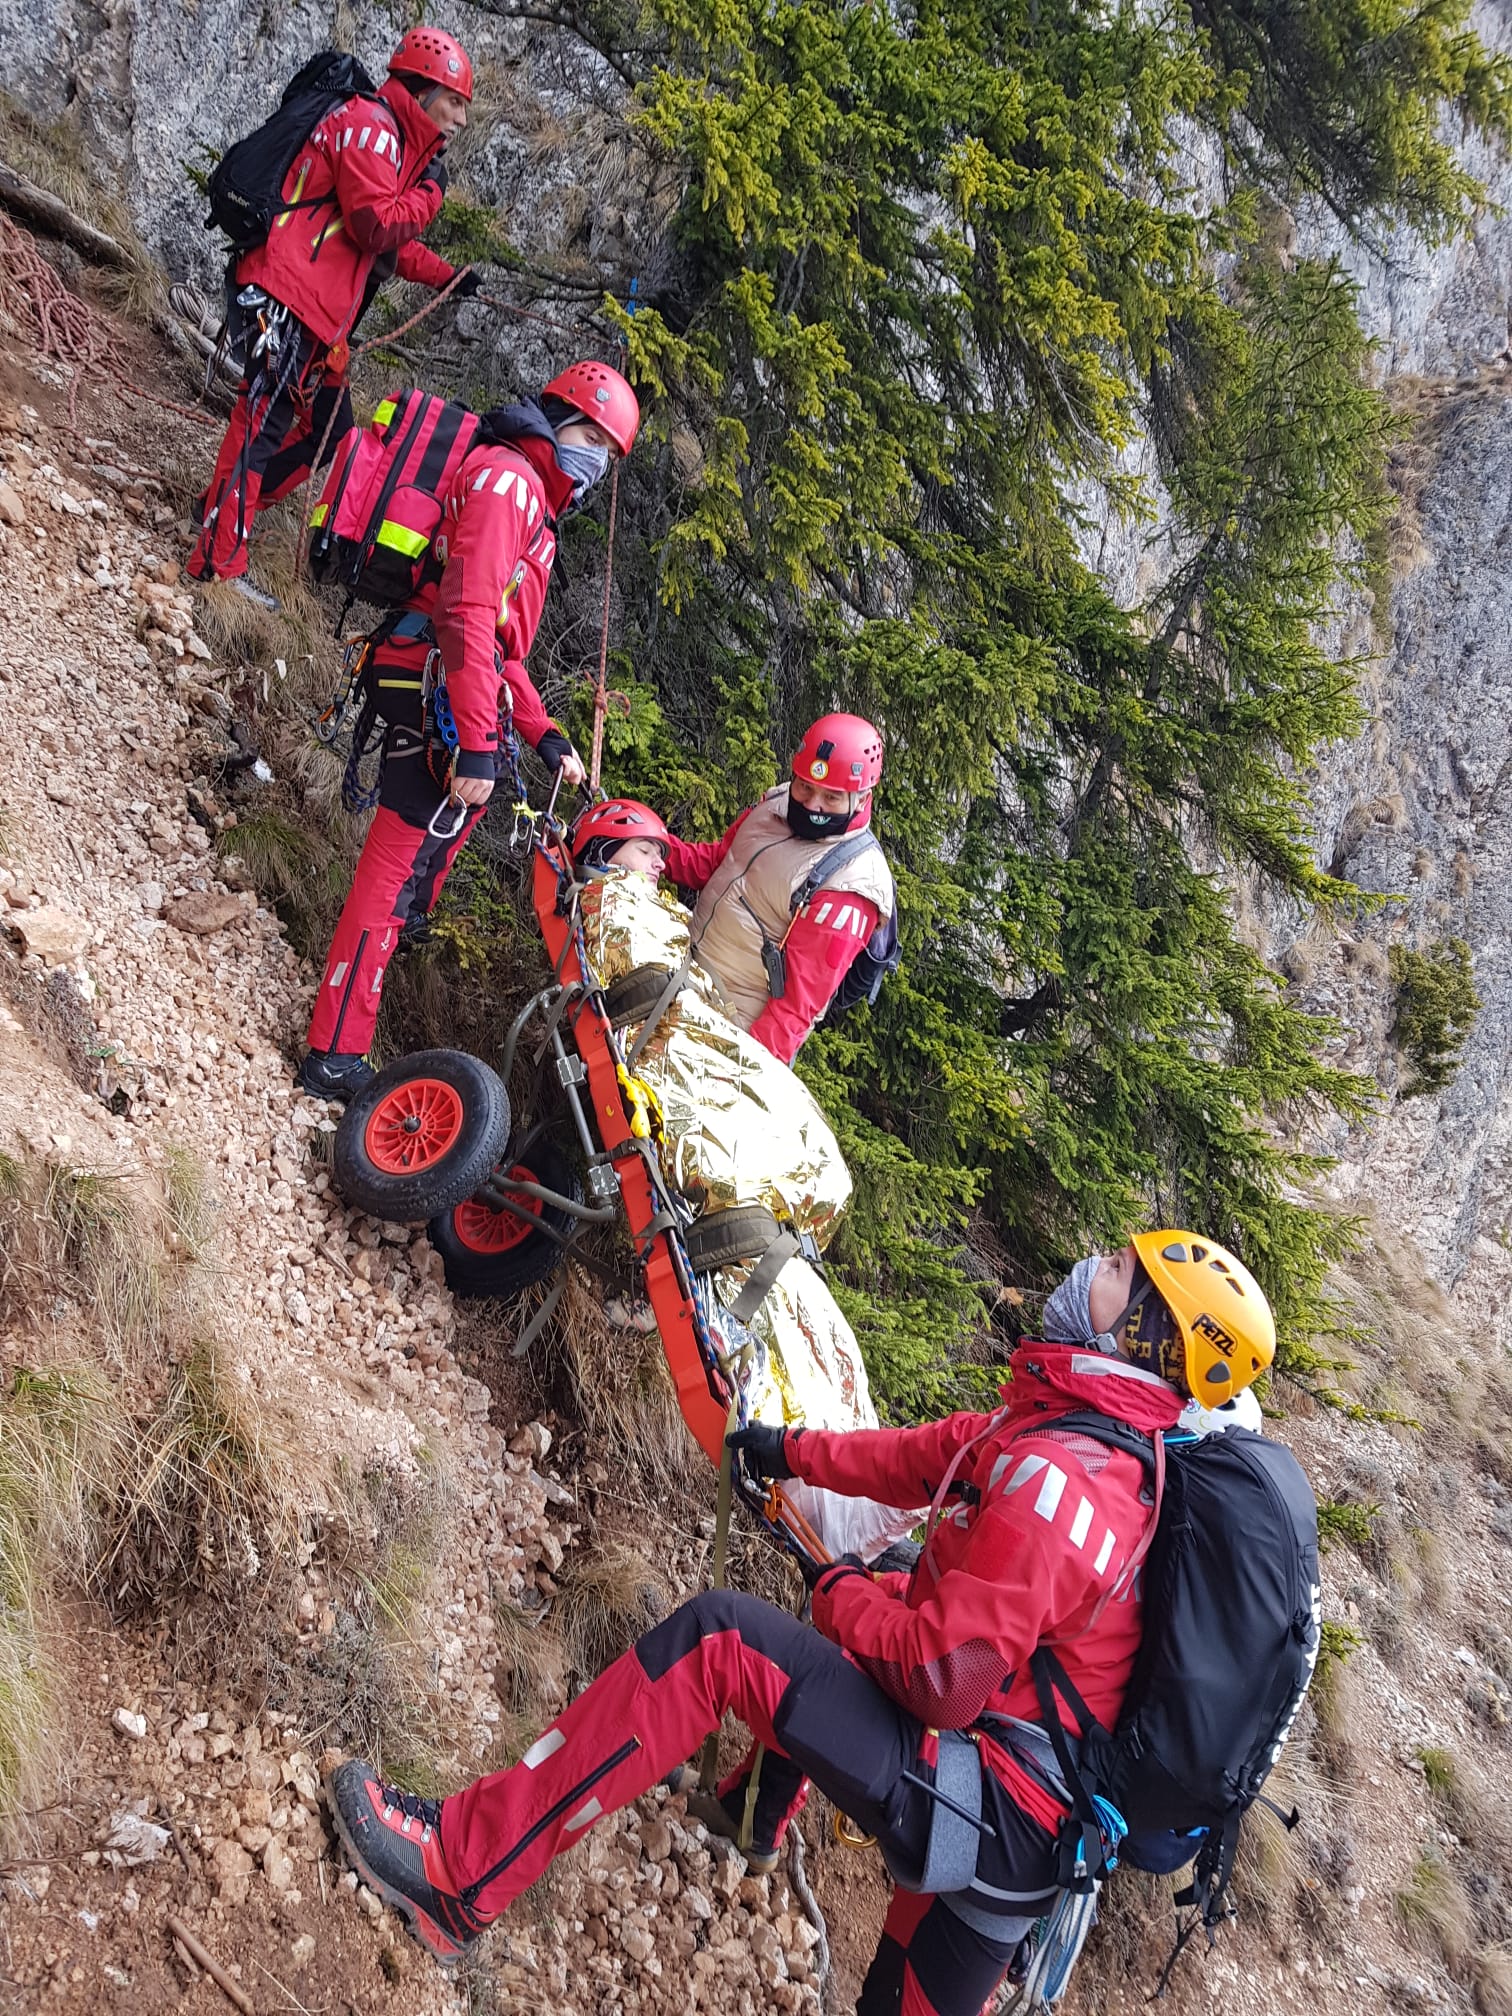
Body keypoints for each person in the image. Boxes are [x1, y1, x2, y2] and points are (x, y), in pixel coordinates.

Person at [326, 1229, 1277, 2012]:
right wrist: (788, 1451)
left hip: (991, 1808)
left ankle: (456, 1872)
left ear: (1146, 1331)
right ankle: (754, 1812)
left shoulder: (1063, 1481)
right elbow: (922, 1457)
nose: (1088, 1265)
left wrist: (838, 1588)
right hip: (1022, 1817)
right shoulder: (1078, 1431)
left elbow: (942, 1680)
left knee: (723, 1642)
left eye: (1115, 1269)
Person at [298, 362, 640, 1102]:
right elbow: (465, 614)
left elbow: (499, 648)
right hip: (430, 678)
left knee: (421, 858)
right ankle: (334, 1050)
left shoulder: (524, 491)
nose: (595, 464)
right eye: (592, 441)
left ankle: (380, 968)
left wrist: (543, 734)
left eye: (608, 456)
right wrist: (481, 744)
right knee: (391, 874)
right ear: (560, 420)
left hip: (440, 676)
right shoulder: (510, 482)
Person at [188, 28, 480, 599]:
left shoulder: (389, 142)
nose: (461, 119)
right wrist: (432, 194)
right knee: (263, 423)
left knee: (328, 428)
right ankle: (216, 562)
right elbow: (377, 224)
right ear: (421, 89)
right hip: (286, 296)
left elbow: (384, 245)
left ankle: (216, 513)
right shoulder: (372, 127)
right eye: (454, 101)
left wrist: (449, 276)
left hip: (310, 311)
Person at [661, 713, 896, 1065]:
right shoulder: (778, 802)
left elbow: (793, 1012)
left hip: (725, 1027)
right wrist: (651, 844)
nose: (812, 805)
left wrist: (739, 1074)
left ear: (862, 799)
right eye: (805, 787)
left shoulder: (850, 886)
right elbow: (719, 863)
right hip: (682, 972)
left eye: (832, 798)